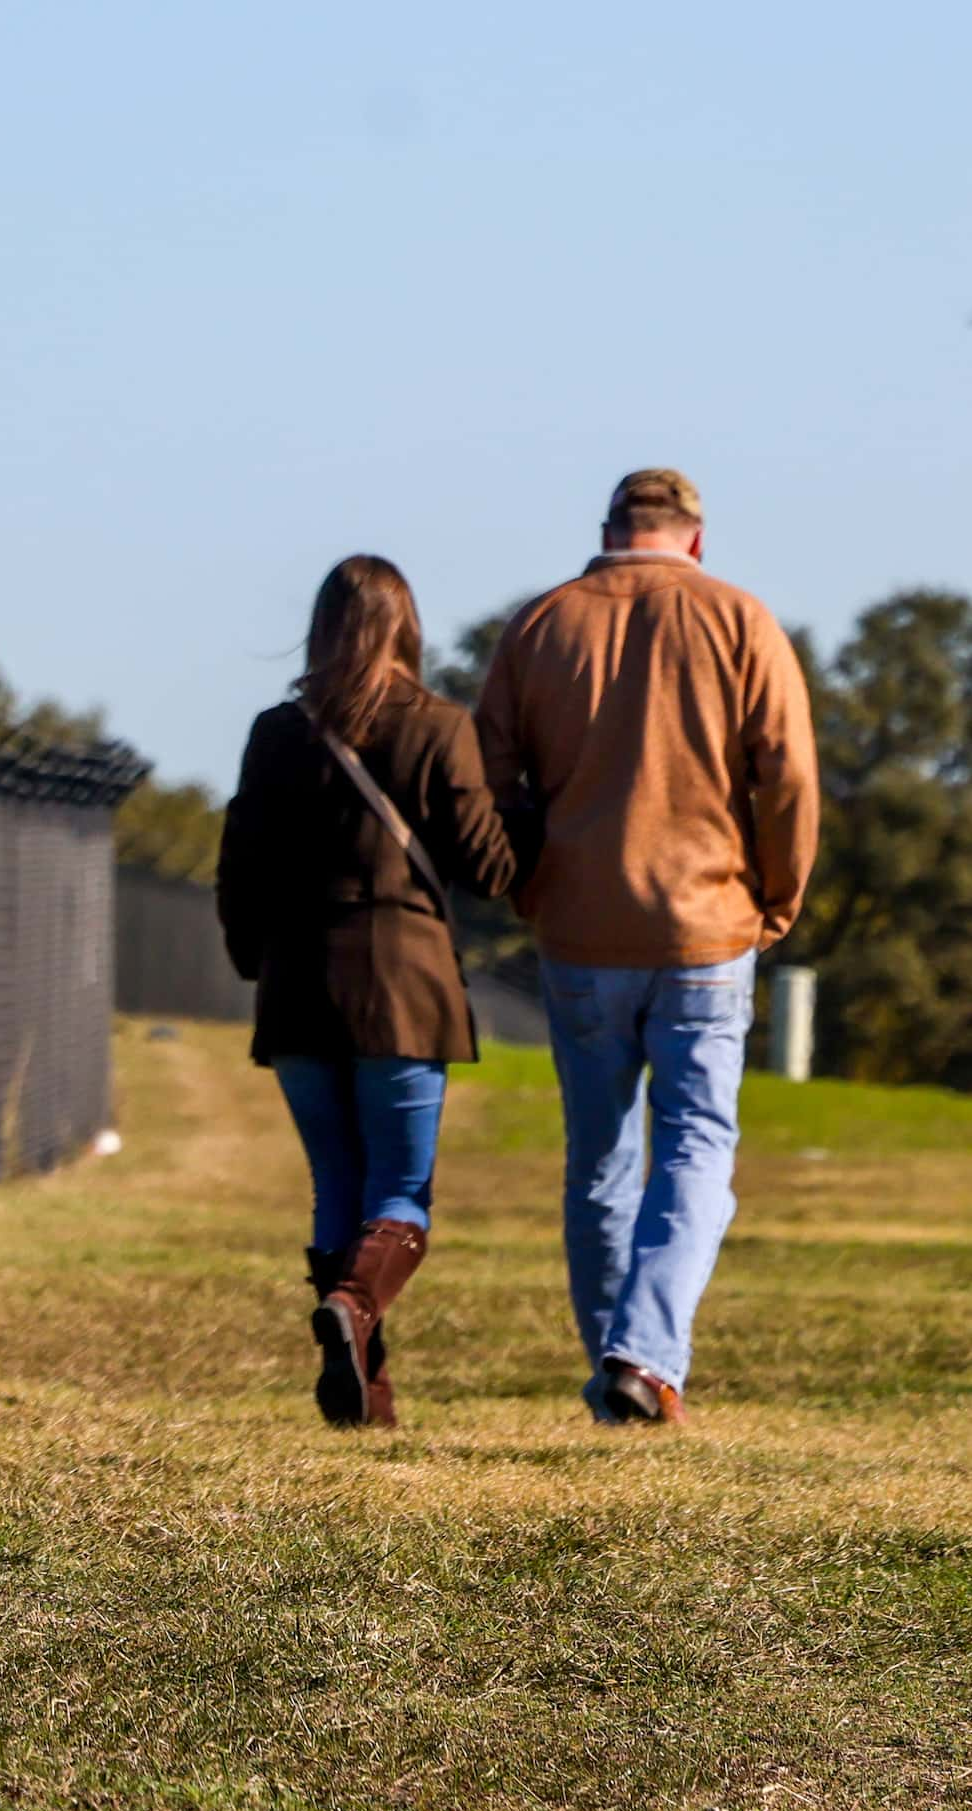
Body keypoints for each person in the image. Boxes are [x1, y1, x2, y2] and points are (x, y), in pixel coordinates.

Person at [474, 469, 818, 1427]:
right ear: (694, 540)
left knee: (598, 1159)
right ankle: (643, 1354)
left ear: (608, 531)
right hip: (707, 925)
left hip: (579, 927)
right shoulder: (741, 621)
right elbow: (787, 773)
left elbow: (488, 779)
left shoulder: (538, 625)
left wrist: (525, 886)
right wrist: (777, 896)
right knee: (697, 1145)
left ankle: (620, 1373)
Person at [219, 556, 519, 1428]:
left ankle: (366, 1397)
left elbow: (238, 863)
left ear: (320, 628)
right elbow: (487, 868)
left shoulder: (276, 732)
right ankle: (351, 1310)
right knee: (398, 1186)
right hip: (402, 984)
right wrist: (526, 815)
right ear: (405, 628)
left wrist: (253, 961)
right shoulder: (437, 727)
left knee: (333, 1183)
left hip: (298, 982)